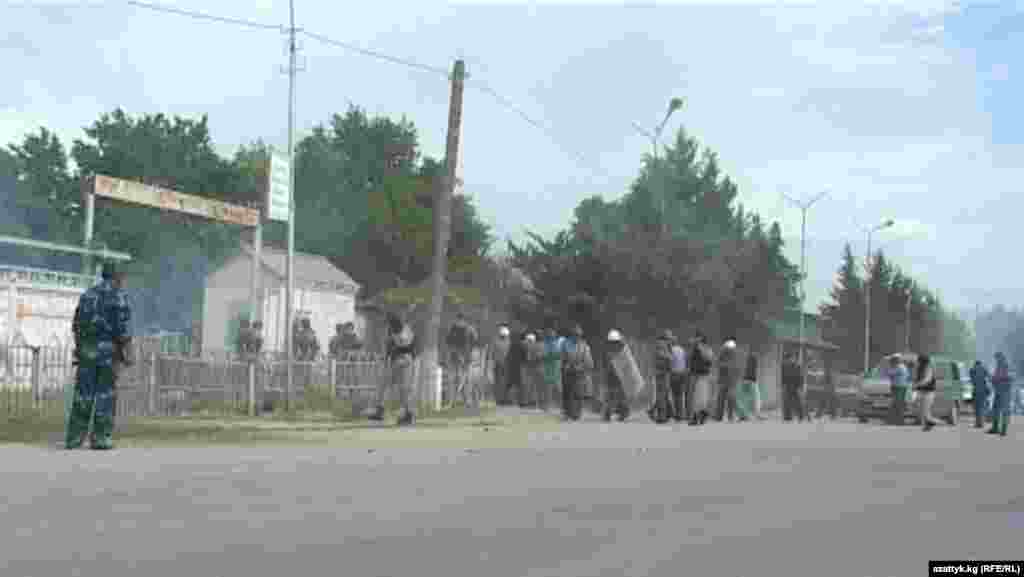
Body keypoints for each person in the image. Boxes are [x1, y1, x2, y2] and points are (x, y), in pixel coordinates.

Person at [65, 262, 133, 450]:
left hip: (87, 352)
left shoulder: (87, 295)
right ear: (116, 276)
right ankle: (100, 438)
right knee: (105, 396)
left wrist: (79, 348)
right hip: (107, 354)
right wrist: (127, 353)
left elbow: (76, 325)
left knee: (83, 395)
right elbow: (123, 330)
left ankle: (74, 438)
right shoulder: (119, 296)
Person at [369, 312, 418, 426]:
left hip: (405, 361)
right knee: (384, 385)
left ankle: (408, 415)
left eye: (388, 323)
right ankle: (380, 410)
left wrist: (396, 356)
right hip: (396, 361)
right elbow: (390, 347)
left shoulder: (403, 332)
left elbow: (405, 348)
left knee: (404, 390)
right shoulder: (393, 331)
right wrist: (386, 357)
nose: (387, 326)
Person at [561, 324, 594, 421]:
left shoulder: (585, 347)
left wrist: (580, 367)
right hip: (568, 372)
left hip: (579, 373)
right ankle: (567, 412)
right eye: (574, 334)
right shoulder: (566, 344)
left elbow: (589, 363)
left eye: (578, 335)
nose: (576, 337)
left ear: (580, 336)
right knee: (567, 393)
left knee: (578, 393)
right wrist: (565, 365)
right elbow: (562, 358)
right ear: (571, 335)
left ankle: (576, 414)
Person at [446, 313, 479, 407]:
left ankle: (467, 400)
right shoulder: (453, 329)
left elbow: (474, 342)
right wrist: (454, 354)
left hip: (465, 358)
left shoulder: (469, 329)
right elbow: (449, 343)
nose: (459, 322)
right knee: (455, 379)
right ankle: (454, 401)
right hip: (455, 358)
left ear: (463, 320)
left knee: (465, 379)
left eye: (460, 320)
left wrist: (470, 355)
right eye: (458, 320)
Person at [603, 329, 634, 422]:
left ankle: (621, 413)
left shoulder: (621, 350)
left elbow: (627, 363)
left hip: (618, 376)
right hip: (613, 376)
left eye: (615, 342)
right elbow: (606, 364)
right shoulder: (610, 351)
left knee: (619, 396)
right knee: (613, 395)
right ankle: (610, 413)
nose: (614, 344)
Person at [649, 330, 676, 424]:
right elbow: (664, 356)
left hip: (663, 372)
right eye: (670, 339)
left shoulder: (664, 345)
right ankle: (662, 416)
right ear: (667, 338)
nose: (671, 341)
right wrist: (670, 357)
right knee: (662, 395)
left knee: (664, 394)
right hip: (662, 373)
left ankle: (666, 413)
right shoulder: (662, 345)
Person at [688, 332, 715, 426]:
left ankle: (698, 415)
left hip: (699, 374)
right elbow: (710, 361)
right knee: (700, 395)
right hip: (701, 374)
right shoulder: (705, 349)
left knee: (697, 395)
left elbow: (708, 360)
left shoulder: (700, 348)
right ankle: (701, 414)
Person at [913, 354, 941, 432]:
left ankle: (935, 422)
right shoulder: (919, 368)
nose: (916, 362)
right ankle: (928, 424)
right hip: (921, 391)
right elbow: (916, 378)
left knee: (925, 410)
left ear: (922, 361)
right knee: (921, 410)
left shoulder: (928, 368)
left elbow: (927, 379)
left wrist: (918, 384)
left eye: (918, 361)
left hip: (928, 392)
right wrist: (915, 384)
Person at [715, 338, 740, 423]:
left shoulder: (734, 353)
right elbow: (718, 363)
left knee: (729, 398)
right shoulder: (723, 352)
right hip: (725, 379)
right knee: (722, 398)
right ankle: (719, 416)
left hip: (730, 380)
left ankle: (729, 416)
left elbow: (736, 366)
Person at [989, 352, 1012, 437]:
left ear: (1001, 357)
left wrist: (995, 379)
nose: (996, 359)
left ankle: (1003, 430)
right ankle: (995, 428)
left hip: (1004, 391)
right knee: (996, 409)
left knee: (1004, 410)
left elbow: (1005, 377)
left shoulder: (1005, 365)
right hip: (998, 390)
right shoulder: (999, 365)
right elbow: (997, 376)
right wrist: (993, 379)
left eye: (997, 357)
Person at [542, 327, 564, 414]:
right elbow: (544, 355)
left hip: (556, 370)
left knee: (559, 390)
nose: (551, 335)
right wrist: (552, 355)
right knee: (548, 390)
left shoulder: (558, 343)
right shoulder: (546, 344)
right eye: (549, 334)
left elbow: (560, 355)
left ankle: (562, 407)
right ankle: (547, 406)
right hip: (549, 370)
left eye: (552, 334)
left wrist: (554, 355)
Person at [488, 324, 512, 405]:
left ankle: (501, 399)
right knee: (502, 382)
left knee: (500, 382)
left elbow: (492, 353)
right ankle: (502, 399)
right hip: (502, 364)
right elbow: (492, 353)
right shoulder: (508, 342)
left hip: (500, 364)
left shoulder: (497, 341)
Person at [885, 353, 911, 426]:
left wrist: (888, 367)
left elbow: (890, 373)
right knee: (897, 403)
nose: (892, 361)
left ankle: (899, 420)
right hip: (900, 386)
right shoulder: (902, 366)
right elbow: (907, 375)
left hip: (899, 387)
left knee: (898, 403)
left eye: (893, 360)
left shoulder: (899, 367)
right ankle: (894, 420)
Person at [736, 349, 761, 421]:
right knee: (755, 399)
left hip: (745, 380)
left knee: (743, 400)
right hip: (751, 381)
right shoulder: (753, 361)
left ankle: (742, 415)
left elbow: (742, 371)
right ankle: (756, 414)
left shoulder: (745, 362)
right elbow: (753, 372)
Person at [523, 332, 545, 410]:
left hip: (535, 368)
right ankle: (540, 403)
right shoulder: (544, 345)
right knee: (539, 387)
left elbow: (528, 358)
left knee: (534, 387)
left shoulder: (532, 346)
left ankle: (535, 403)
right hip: (540, 368)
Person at [669, 335, 689, 422]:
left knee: (675, 395)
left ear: (672, 342)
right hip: (682, 374)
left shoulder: (671, 350)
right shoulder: (682, 350)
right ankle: (681, 414)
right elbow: (685, 361)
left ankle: (677, 414)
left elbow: (670, 362)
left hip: (674, 374)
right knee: (680, 395)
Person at [781, 352, 804, 422]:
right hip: (788, 386)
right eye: (788, 359)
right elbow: (783, 376)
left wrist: (800, 386)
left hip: (795, 386)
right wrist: (783, 385)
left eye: (791, 358)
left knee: (798, 402)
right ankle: (787, 417)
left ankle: (801, 416)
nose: (789, 360)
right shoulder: (784, 366)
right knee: (787, 402)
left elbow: (800, 377)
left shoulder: (797, 366)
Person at [969, 360, 990, 429]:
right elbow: (989, 378)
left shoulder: (972, 370)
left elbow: (972, 380)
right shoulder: (984, 369)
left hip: (976, 391)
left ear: (975, 364)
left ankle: (978, 423)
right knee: (982, 407)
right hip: (983, 391)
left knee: (977, 408)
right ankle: (981, 423)